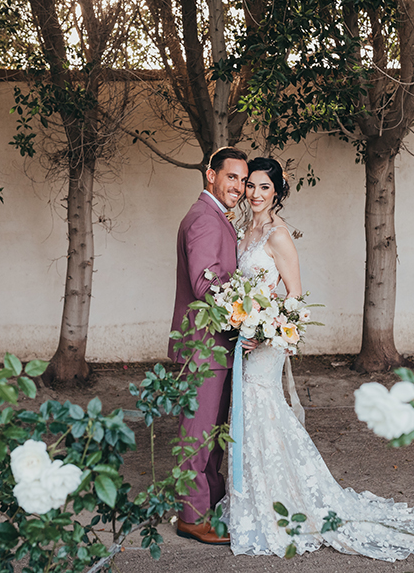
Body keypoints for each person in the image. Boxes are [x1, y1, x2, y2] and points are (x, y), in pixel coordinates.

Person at [222, 156, 414, 560]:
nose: (254, 193)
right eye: (250, 185)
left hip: (265, 345)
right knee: (247, 413)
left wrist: (264, 332)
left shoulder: (278, 235)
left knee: (260, 408)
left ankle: (282, 505)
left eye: (264, 187)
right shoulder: (243, 228)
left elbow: (295, 298)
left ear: (277, 192)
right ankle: (252, 500)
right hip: (245, 337)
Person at [169, 147, 248, 545]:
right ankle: (191, 516)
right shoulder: (203, 218)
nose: (237, 185)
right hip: (202, 346)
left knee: (213, 434)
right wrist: (247, 311)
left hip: (216, 347)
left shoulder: (217, 217)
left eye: (242, 179)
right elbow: (206, 284)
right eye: (231, 176)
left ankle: (210, 505)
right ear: (210, 175)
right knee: (196, 435)